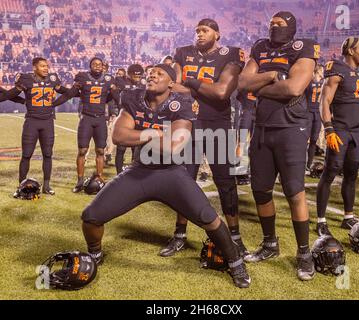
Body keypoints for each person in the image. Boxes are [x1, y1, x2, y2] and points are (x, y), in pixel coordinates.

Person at [80, 64, 251, 288]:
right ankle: (95, 253)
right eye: (151, 72)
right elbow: (119, 135)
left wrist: (141, 134)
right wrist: (156, 132)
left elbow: (173, 147)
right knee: (91, 216)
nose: (152, 74)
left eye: (160, 73)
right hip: (139, 171)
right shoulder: (133, 97)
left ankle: (235, 261)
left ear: (171, 83)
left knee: (209, 219)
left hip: (170, 173)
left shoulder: (181, 102)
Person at [238, 11, 319, 280]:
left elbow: (294, 88)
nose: (273, 27)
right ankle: (270, 243)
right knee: (260, 190)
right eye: (271, 23)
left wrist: (257, 88)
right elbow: (241, 82)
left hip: (291, 127)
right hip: (262, 127)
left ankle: (304, 253)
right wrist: (272, 75)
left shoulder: (303, 47)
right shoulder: (260, 47)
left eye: (279, 24)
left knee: (294, 191)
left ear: (291, 27)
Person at [159, 18, 249, 258]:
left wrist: (190, 84)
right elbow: (174, 86)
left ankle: (235, 237)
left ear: (217, 34)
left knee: (226, 183)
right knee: (183, 181)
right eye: (197, 30)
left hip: (217, 124)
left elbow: (222, 92)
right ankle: (179, 234)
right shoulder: (183, 53)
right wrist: (198, 88)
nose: (199, 34)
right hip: (187, 124)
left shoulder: (231, 54)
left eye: (205, 30)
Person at [316, 37, 359, 236]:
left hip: (356, 131)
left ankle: (348, 216)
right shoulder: (337, 69)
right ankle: (321, 220)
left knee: (352, 174)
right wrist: (328, 129)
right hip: (340, 130)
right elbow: (325, 101)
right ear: (351, 51)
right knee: (330, 172)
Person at [51, 57, 116, 192]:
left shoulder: (108, 80)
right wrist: (52, 104)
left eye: (100, 64)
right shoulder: (82, 77)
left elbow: (114, 96)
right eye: (94, 64)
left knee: (100, 151)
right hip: (86, 119)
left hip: (100, 120)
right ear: (90, 66)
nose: (97, 66)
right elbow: (69, 94)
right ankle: (80, 181)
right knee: (82, 151)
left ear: (103, 66)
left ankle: (100, 179)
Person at [7, 57, 68, 195]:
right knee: (26, 155)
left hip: (48, 122)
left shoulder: (52, 79)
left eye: (47, 66)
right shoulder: (27, 79)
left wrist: (78, 92)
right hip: (32, 122)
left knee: (48, 154)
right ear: (35, 67)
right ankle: (21, 187)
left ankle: (47, 186)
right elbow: (11, 94)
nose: (46, 68)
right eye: (42, 66)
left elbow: (66, 92)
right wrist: (23, 101)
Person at [115, 64, 145, 174]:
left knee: (136, 147)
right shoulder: (121, 81)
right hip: (125, 118)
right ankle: (118, 173)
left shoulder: (144, 84)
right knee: (121, 148)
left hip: (138, 118)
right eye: (135, 76)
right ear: (129, 75)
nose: (137, 78)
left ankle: (134, 171)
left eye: (139, 76)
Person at [305, 64, 324, 170]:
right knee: (304, 139)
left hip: (317, 113)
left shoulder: (323, 83)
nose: (323, 72)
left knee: (313, 140)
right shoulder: (308, 82)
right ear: (316, 71)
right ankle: (302, 162)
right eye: (321, 70)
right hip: (308, 112)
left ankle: (309, 164)